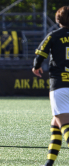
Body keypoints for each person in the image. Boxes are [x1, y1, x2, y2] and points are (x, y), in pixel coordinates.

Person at [32, 6, 69, 166]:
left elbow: (41, 53)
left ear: (58, 20)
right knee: (56, 124)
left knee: (65, 125)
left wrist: (36, 66)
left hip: (60, 85)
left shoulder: (54, 35)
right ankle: (49, 163)